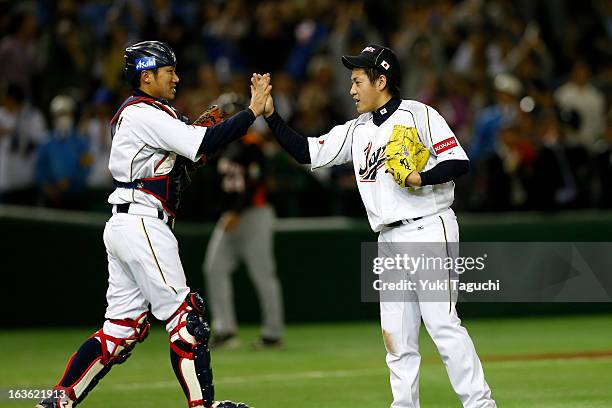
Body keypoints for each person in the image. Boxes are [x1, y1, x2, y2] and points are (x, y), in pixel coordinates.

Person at [35, 40, 270, 408]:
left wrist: (195, 147)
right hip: (143, 222)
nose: (176, 78)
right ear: (146, 77)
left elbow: (186, 157)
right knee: (186, 318)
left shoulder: (145, 113)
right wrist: (252, 111)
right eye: (168, 71)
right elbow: (203, 142)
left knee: (121, 331)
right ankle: (202, 406)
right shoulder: (145, 113)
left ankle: (59, 400)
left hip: (127, 223)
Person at [262, 44, 496, 408]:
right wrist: (272, 116)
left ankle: (481, 405)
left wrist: (420, 177)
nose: (351, 90)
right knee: (397, 339)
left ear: (381, 80)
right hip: (387, 238)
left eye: (357, 81)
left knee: (443, 326)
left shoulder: (419, 115)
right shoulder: (356, 130)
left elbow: (458, 162)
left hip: (429, 227)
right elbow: (307, 151)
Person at [203, 92, 284, 349]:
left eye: (225, 114)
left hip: (254, 215)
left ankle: (273, 333)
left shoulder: (252, 144)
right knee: (214, 268)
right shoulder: (221, 147)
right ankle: (225, 330)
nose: (220, 119)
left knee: (263, 274)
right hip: (231, 216)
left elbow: (255, 182)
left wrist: (236, 211)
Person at [35, 94, 92, 209]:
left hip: (74, 197)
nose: (63, 117)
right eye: (59, 114)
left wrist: (71, 181)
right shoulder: (46, 141)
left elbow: (85, 166)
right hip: (51, 198)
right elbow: (40, 167)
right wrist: (48, 187)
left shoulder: (81, 142)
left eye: (66, 113)